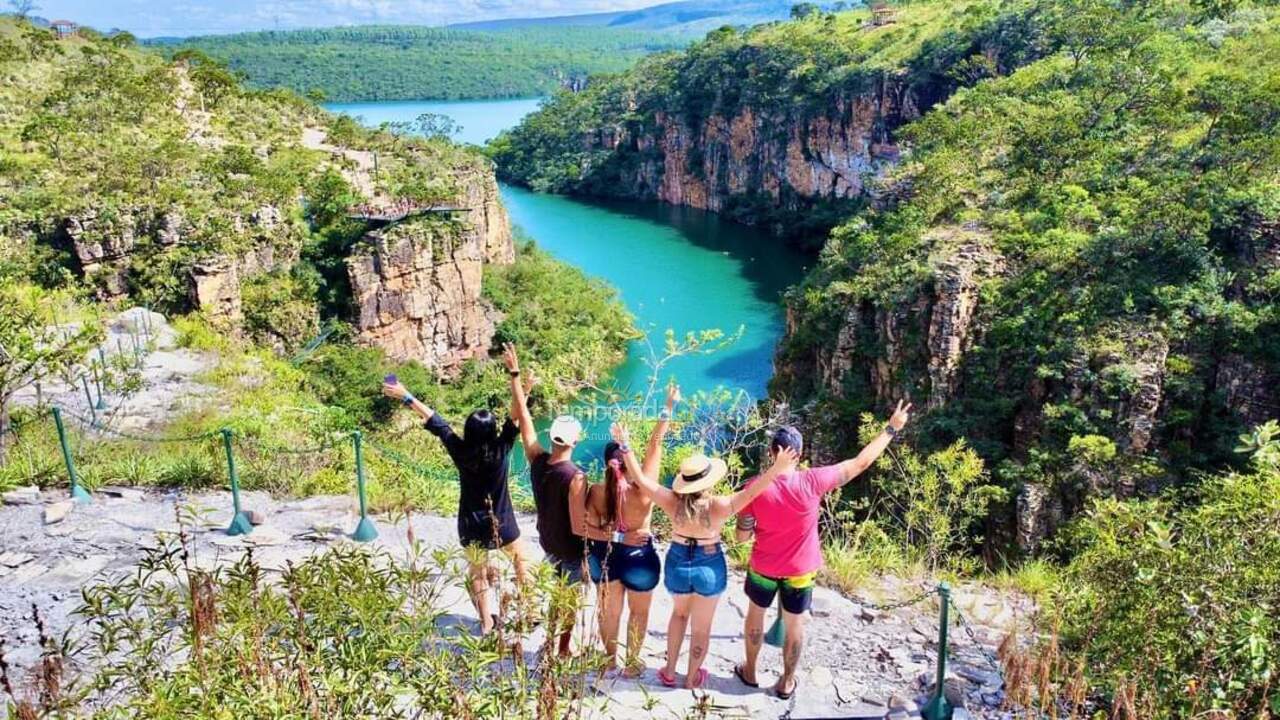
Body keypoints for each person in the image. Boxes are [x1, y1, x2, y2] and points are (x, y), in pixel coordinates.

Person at [734, 400, 913, 700]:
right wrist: (891, 429)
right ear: (800, 454)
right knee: (795, 624)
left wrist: (747, 524)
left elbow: (741, 536)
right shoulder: (813, 481)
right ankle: (786, 682)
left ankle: (750, 672)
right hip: (800, 570)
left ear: (771, 453)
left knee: (755, 614)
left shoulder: (754, 487)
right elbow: (860, 463)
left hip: (764, 566)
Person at [610, 422, 799, 690]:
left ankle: (669, 672)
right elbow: (753, 492)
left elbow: (640, 479)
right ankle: (691, 678)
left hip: (678, 561)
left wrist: (625, 444)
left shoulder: (671, 501)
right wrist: (777, 468)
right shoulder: (719, 505)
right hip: (709, 565)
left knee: (678, 615)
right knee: (701, 627)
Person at [381, 372, 534, 635]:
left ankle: (486, 623)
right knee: (522, 561)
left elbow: (435, 421)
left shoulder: (460, 450)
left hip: (470, 525)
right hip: (503, 522)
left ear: (468, 431)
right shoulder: (501, 449)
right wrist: (523, 387)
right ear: (493, 431)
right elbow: (516, 417)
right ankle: (529, 611)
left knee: (478, 573)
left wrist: (405, 395)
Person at [582, 384, 681, 676]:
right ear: (628, 460)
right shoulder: (644, 489)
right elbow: (656, 444)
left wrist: (617, 536)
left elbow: (588, 529)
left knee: (608, 611)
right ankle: (632, 664)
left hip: (605, 555)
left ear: (606, 464)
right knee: (639, 612)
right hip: (639, 557)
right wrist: (668, 406)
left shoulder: (596, 492)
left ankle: (609, 659)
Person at [503, 342, 588, 658]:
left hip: (548, 542)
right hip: (570, 549)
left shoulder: (537, 460)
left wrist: (515, 376)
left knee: (556, 593)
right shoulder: (576, 477)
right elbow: (579, 525)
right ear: (576, 440)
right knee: (569, 601)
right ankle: (562, 648)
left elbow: (524, 420)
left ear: (552, 438)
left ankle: (550, 642)